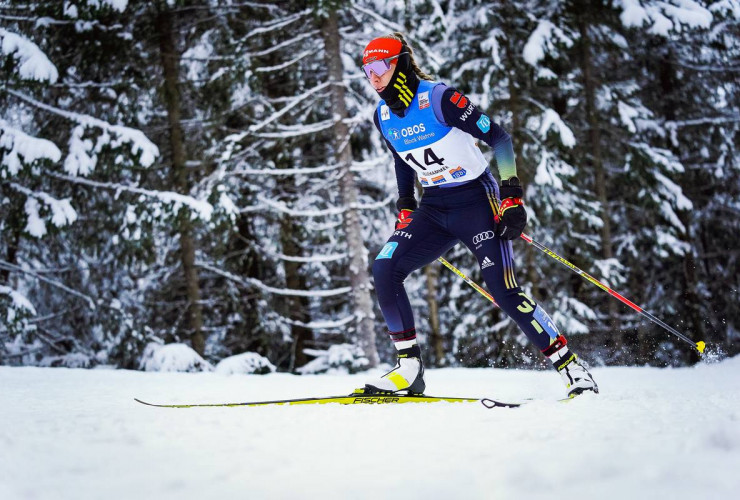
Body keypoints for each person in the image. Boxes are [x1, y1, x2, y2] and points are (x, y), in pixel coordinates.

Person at [361, 32, 598, 398]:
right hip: (435, 208)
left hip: (477, 201)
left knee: (503, 290)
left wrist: (512, 197)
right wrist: (406, 205)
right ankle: (409, 369)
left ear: (401, 64)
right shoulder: (383, 116)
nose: (373, 77)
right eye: (367, 70)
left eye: (380, 66)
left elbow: (500, 139)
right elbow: (401, 158)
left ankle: (571, 367)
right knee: (385, 267)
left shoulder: (439, 98)